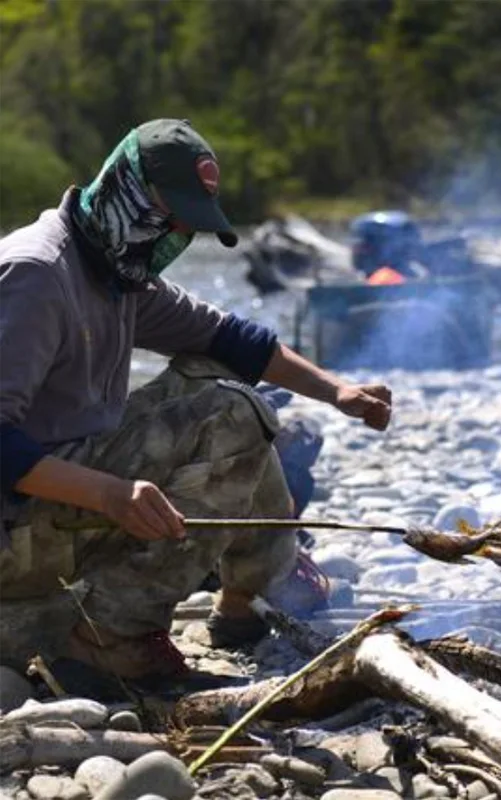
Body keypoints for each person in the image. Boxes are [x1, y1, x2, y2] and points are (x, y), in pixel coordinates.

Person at [0, 119, 392, 683]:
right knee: (232, 414)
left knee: (222, 382)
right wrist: (112, 494)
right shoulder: (38, 274)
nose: (175, 236)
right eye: (170, 216)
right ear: (125, 191)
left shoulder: (117, 273)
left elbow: (229, 339)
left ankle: (254, 592)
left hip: (59, 498)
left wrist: (339, 392)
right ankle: (111, 630)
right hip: (16, 533)